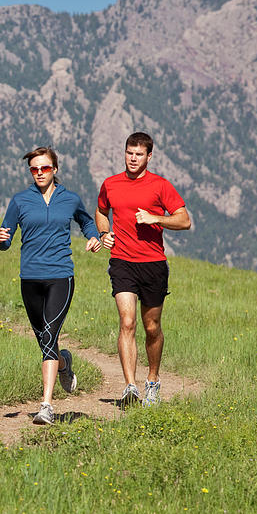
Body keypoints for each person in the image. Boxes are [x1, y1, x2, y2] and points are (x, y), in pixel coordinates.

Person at [0, 147, 102, 425]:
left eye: (44, 168)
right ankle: (64, 363)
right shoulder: (20, 201)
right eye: (34, 169)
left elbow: (86, 222)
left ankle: (46, 406)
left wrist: (93, 238)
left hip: (60, 277)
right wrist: (1, 239)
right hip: (29, 279)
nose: (39, 173)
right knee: (45, 341)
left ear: (55, 169)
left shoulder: (70, 199)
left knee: (49, 335)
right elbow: (4, 239)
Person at [95, 132, 191, 406]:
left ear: (149, 156)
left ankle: (152, 381)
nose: (133, 158)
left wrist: (155, 218)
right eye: (129, 153)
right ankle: (130, 386)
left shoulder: (160, 186)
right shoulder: (110, 184)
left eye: (139, 154)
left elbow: (184, 221)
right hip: (122, 262)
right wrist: (104, 233)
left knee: (152, 327)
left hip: (153, 265)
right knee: (127, 322)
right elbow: (102, 211)